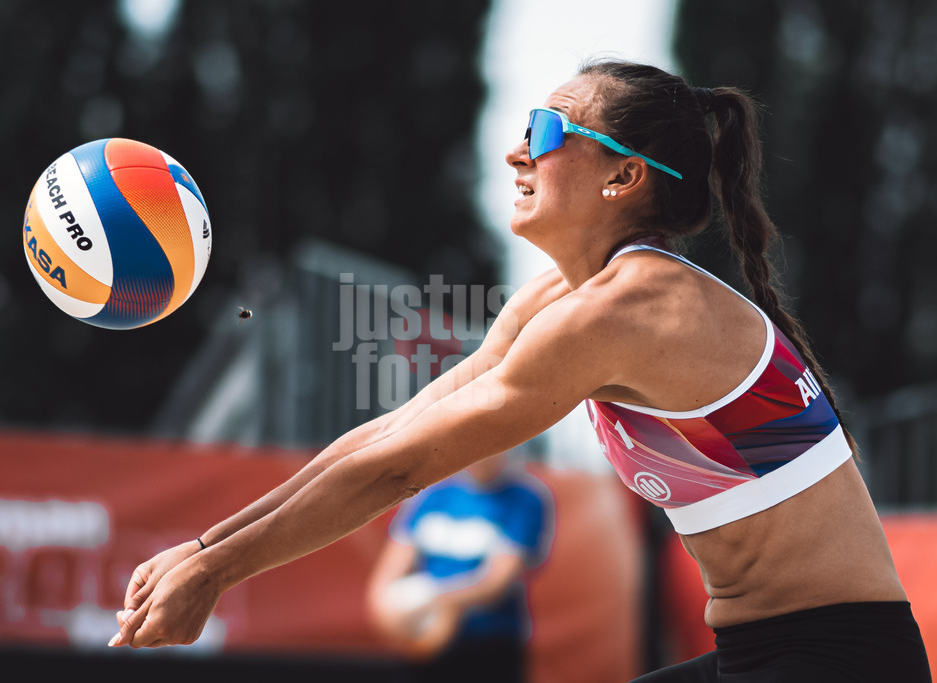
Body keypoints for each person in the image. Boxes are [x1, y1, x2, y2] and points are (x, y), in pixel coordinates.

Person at [109, 59, 931, 681]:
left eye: (544, 131)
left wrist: (217, 573)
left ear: (622, 176)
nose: (515, 151)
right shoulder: (562, 299)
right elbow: (391, 431)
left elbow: (399, 468)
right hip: (762, 651)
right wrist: (203, 548)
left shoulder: (631, 311)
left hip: (840, 659)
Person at [365, 451, 551, 682]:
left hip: (489, 646)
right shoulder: (430, 494)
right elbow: (388, 573)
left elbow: (496, 583)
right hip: (424, 645)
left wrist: (438, 604)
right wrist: (391, 616)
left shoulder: (526, 498)